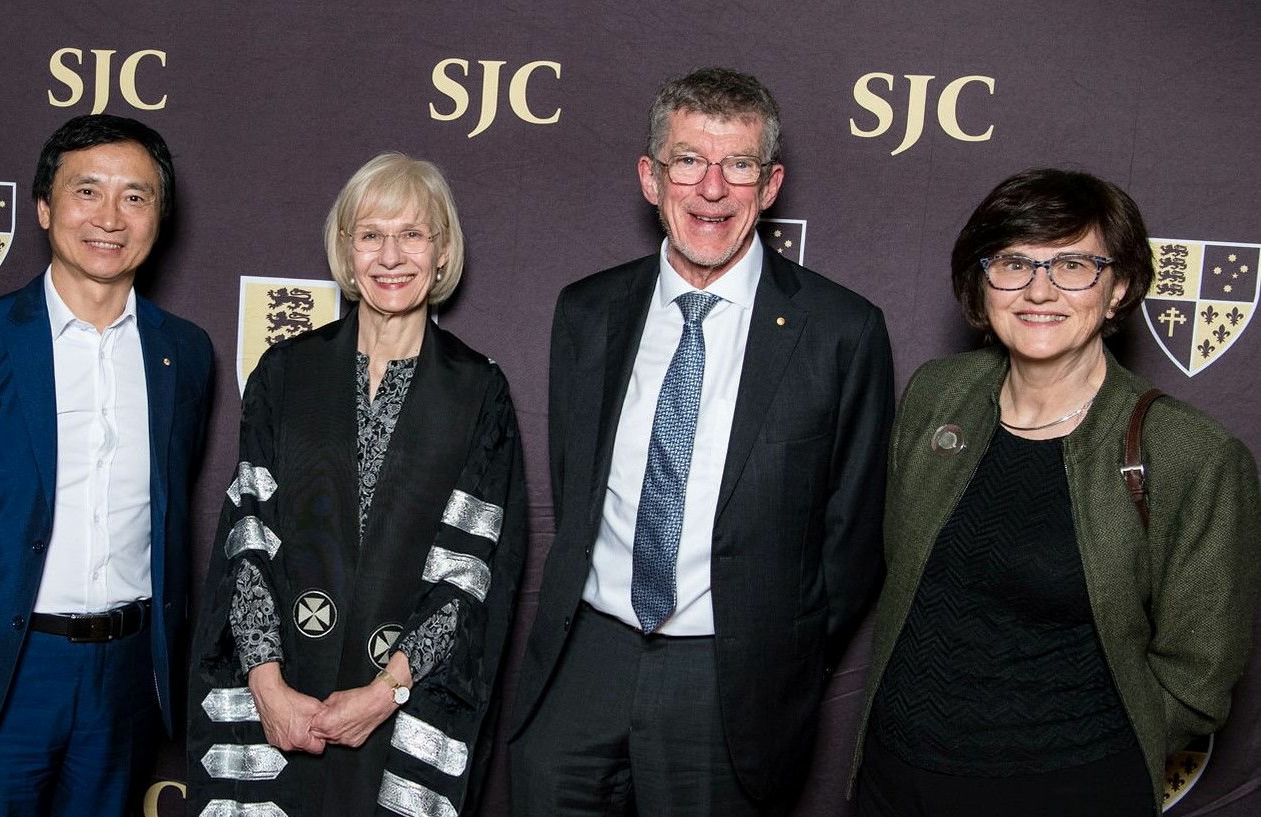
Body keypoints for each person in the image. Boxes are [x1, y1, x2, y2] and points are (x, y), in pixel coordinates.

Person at [510, 66, 894, 816]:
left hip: (730, 680)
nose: (711, 189)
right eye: (688, 160)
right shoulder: (588, 310)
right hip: (584, 658)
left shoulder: (842, 331)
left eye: (738, 165)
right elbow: (575, 480)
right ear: (651, 177)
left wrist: (782, 654)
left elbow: (854, 539)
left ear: (771, 182)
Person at [851, 168, 1261, 816]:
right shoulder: (937, 395)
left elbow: (1198, 678)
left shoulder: (1191, 455)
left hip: (1066, 789)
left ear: (1119, 284)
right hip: (894, 780)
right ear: (982, 281)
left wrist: (1091, 755)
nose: (1039, 289)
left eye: (1073, 264)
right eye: (1014, 262)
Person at [186, 152, 526, 817]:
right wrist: (265, 681)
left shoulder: (477, 392)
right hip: (282, 697)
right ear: (346, 250)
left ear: (443, 250)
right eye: (371, 234)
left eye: (412, 233)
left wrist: (386, 691)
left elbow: (471, 571)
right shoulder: (287, 372)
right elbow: (247, 534)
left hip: (399, 705)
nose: (391, 255)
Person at [0, 114, 215, 816]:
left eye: (135, 196)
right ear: (44, 207)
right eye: (87, 191)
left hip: (125, 676)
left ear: (159, 216)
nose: (110, 216)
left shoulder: (185, 354)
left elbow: (169, 505)